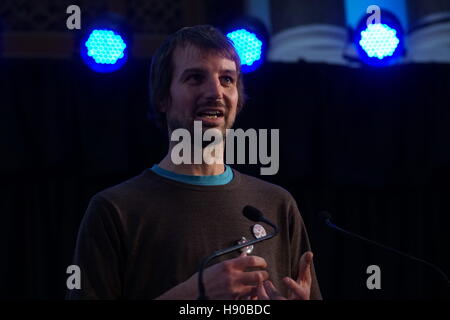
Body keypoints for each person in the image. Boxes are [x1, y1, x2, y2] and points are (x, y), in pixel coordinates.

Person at [67, 25, 322, 300]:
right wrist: (194, 292)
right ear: (163, 98)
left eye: (227, 79)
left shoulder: (277, 204)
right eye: (195, 78)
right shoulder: (115, 209)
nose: (215, 92)